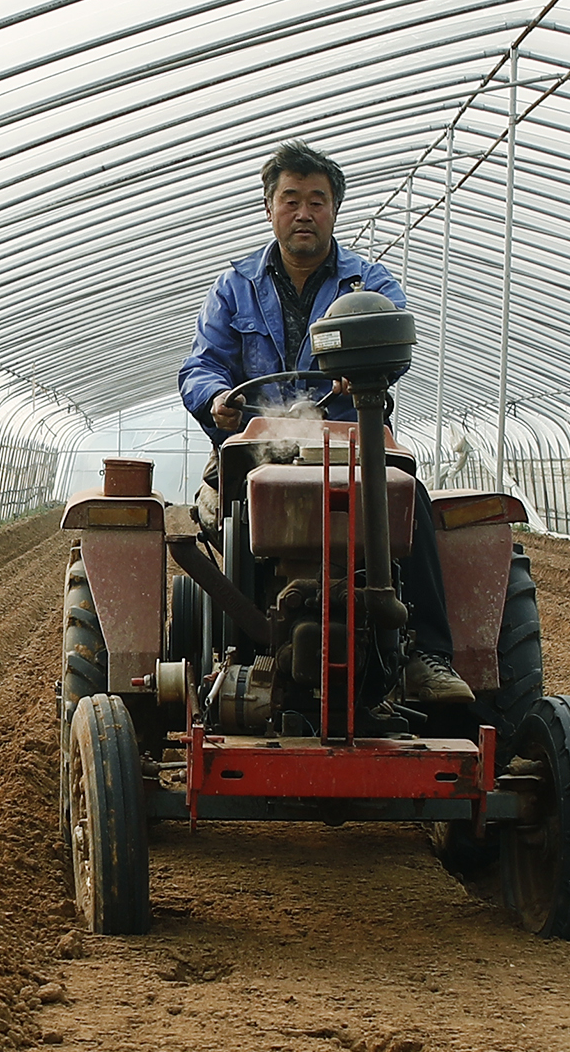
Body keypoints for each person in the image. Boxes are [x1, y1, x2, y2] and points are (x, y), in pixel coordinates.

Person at [178, 141, 474, 709]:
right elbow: (201, 364)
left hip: (349, 440)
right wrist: (215, 396)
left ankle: (425, 654)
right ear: (270, 208)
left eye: (317, 200)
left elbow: (394, 345)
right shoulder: (235, 286)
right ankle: (238, 650)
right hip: (257, 446)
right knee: (215, 515)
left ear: (335, 209)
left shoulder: (369, 284)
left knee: (412, 502)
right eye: (291, 200)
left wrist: (365, 375)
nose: (304, 212)